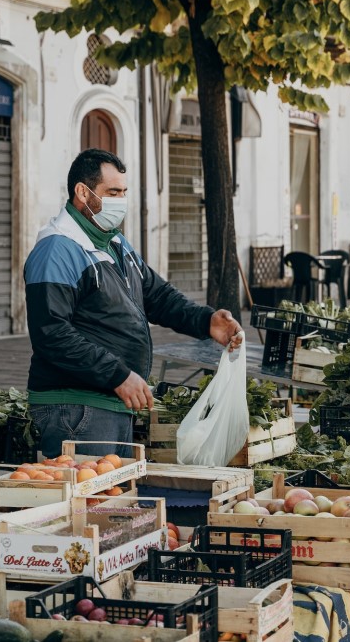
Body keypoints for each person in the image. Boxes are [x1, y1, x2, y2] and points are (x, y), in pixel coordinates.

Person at [24, 149, 243, 459]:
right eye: (113, 192)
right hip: (77, 408)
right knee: (91, 504)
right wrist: (118, 375)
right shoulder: (56, 250)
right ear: (83, 193)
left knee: (111, 502)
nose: (121, 201)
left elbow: (157, 296)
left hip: (113, 403)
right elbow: (52, 335)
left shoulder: (113, 242)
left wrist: (205, 321)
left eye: (124, 192)